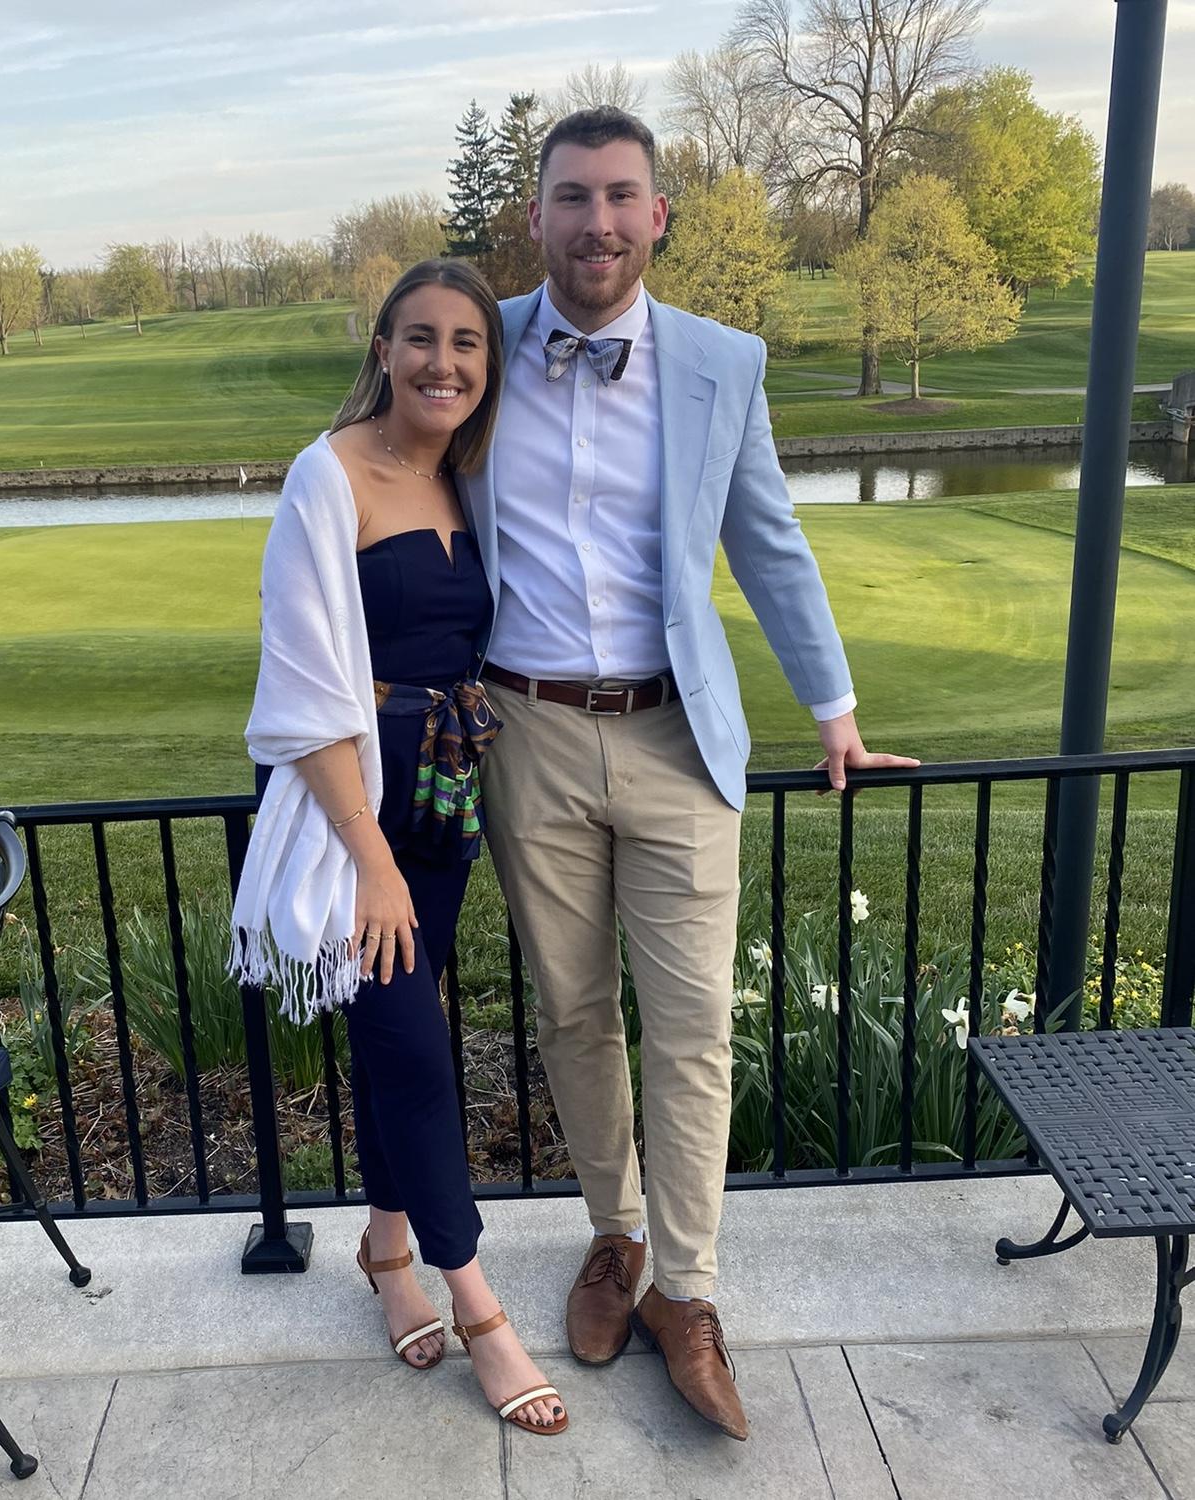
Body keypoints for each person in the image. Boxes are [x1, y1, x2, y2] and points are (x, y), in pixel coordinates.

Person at [461, 108, 919, 1441]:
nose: (596, 221)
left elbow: (770, 542)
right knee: (570, 1011)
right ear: (536, 217)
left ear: (657, 215)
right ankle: (615, 1239)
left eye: (621, 196)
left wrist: (834, 709)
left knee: (694, 1024)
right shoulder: (477, 344)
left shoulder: (723, 361)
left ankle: (691, 1290)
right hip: (527, 731)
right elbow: (394, 487)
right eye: (571, 197)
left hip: (678, 737)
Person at [230, 259, 568, 1436]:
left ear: (488, 365)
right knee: (419, 1057)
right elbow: (301, 690)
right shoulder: (326, 478)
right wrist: (369, 859)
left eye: (467, 343)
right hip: (353, 818)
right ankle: (479, 1306)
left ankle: (386, 1249)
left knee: (394, 1047)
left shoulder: (468, 477)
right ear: (383, 349)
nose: (443, 362)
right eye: (421, 338)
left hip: (441, 802)